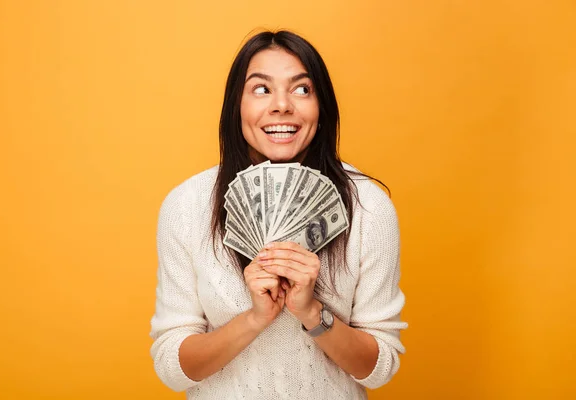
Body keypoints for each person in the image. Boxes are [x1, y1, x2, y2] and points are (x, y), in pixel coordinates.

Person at [150, 30, 407, 399]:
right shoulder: (187, 205)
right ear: (236, 105)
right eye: (261, 89)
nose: (282, 105)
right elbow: (173, 370)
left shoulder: (368, 205)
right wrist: (255, 318)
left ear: (323, 107)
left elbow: (379, 370)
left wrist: (311, 311)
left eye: (302, 89)